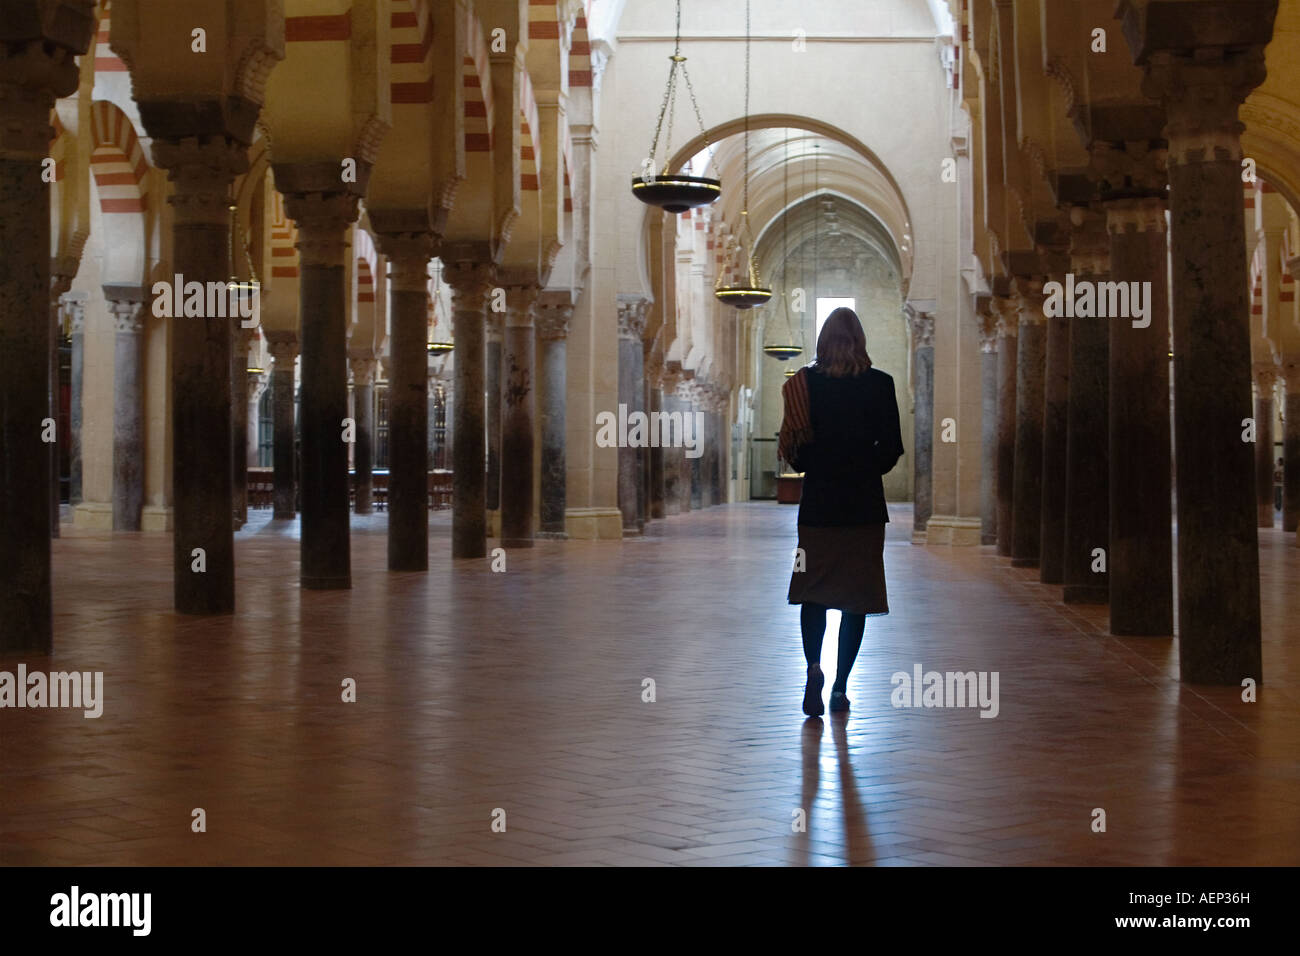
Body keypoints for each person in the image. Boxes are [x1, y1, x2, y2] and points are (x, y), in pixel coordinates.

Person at [780, 307, 905, 717]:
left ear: (822, 341)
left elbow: (794, 453)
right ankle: (840, 687)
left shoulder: (804, 385)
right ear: (861, 341)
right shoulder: (880, 385)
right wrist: (863, 468)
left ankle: (813, 667)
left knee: (812, 593)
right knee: (856, 599)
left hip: (817, 507)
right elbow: (891, 450)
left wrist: (820, 463)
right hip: (864, 508)